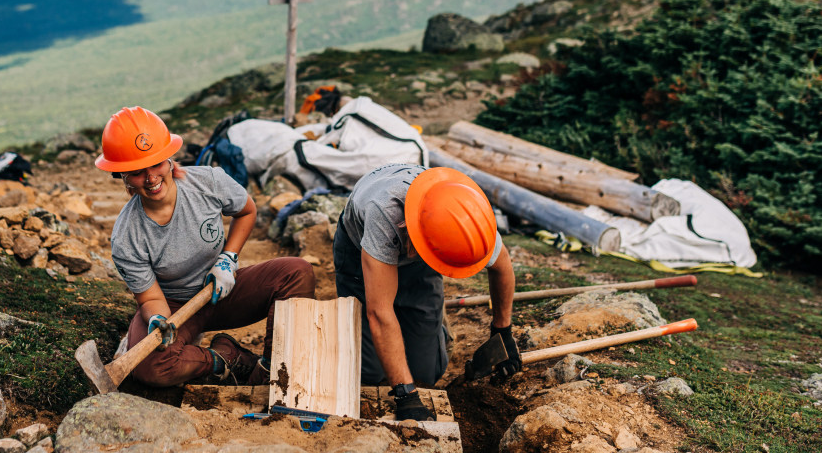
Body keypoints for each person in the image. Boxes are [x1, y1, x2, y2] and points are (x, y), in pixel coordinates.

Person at [100, 106, 316, 387]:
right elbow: (150, 299)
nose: (151, 177)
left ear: (169, 159)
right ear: (123, 176)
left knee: (297, 272)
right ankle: (225, 359)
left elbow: (247, 211)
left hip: (225, 290)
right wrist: (158, 319)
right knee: (149, 367)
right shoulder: (127, 237)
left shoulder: (207, 182)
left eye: (156, 164)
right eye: (138, 172)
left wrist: (228, 258)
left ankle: (271, 372)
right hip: (175, 307)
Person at [333, 163, 518, 420]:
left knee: (425, 374)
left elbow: (503, 268)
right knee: (369, 375)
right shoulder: (384, 212)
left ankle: (432, 327)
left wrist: (503, 332)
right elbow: (379, 311)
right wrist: (405, 395)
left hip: (423, 252)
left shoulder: (470, 218)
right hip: (361, 252)